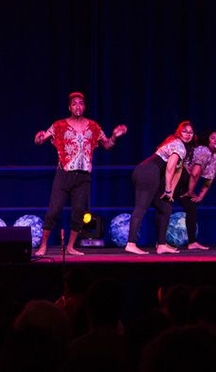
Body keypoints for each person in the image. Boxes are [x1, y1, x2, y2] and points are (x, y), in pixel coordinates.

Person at [33, 91, 127, 256]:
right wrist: (38, 138)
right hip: (64, 174)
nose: (78, 106)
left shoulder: (93, 126)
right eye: (74, 103)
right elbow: (41, 139)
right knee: (54, 210)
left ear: (85, 107)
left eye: (81, 103)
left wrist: (114, 136)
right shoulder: (59, 125)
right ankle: (43, 245)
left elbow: (107, 145)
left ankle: (70, 247)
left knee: (78, 212)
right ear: (69, 107)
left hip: (83, 176)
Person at [124, 121, 196, 255]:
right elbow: (170, 168)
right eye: (184, 131)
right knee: (141, 206)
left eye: (190, 132)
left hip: (148, 173)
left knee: (165, 207)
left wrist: (171, 192)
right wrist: (167, 189)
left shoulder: (181, 148)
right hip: (148, 172)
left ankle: (161, 245)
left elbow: (178, 171)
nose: (188, 135)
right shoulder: (178, 145)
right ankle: (131, 243)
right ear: (179, 132)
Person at [176, 130, 216, 250]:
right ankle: (160, 242)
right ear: (208, 140)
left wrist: (200, 196)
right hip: (179, 177)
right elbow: (195, 173)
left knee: (191, 208)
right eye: (213, 137)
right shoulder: (204, 150)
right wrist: (190, 192)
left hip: (187, 183)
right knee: (165, 206)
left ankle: (192, 242)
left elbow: (209, 179)